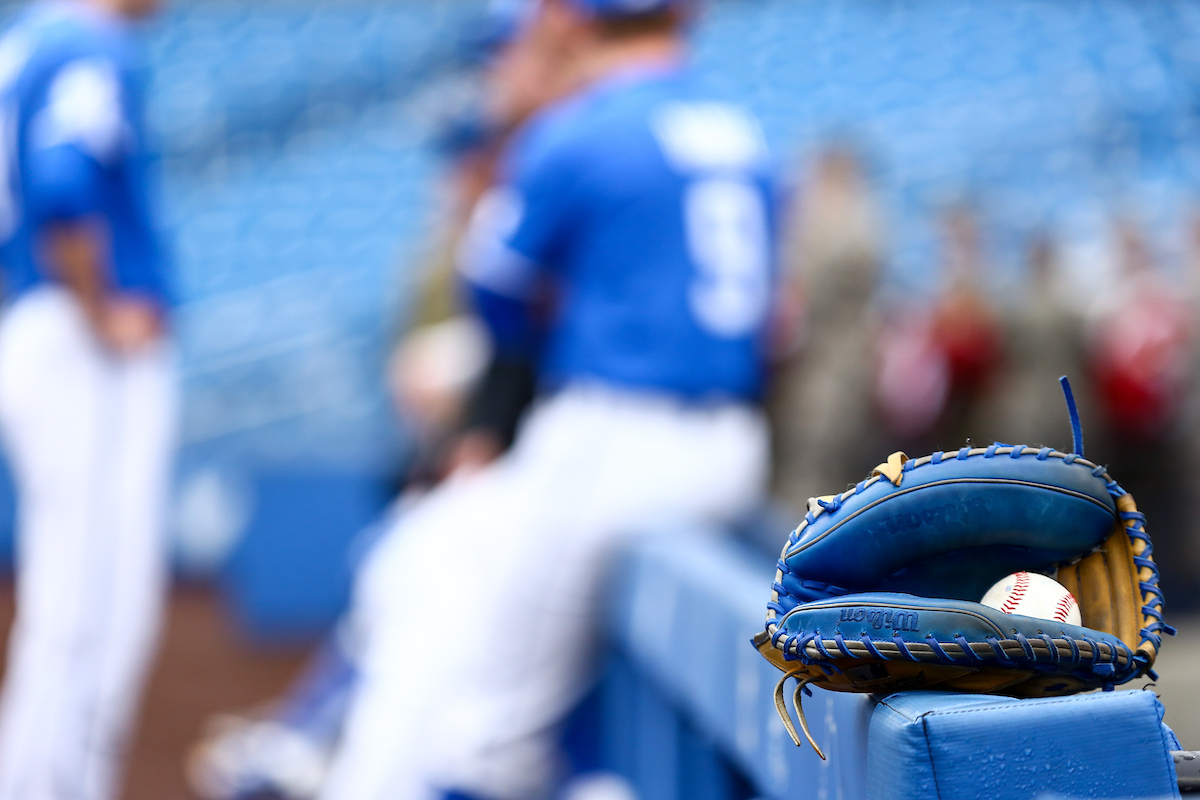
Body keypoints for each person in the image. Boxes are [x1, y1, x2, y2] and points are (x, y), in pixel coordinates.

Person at [317, 0, 777, 798]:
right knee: (430, 566)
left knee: (489, 737)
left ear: (570, 24)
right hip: (732, 436)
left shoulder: (579, 131)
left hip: (616, 439)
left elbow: (493, 292)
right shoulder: (741, 129)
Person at [0, 1, 175, 799]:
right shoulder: (87, 42)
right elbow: (62, 178)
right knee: (92, 591)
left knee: (71, 584)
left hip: (34, 315)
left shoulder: (25, 37)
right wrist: (97, 300)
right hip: (78, 337)